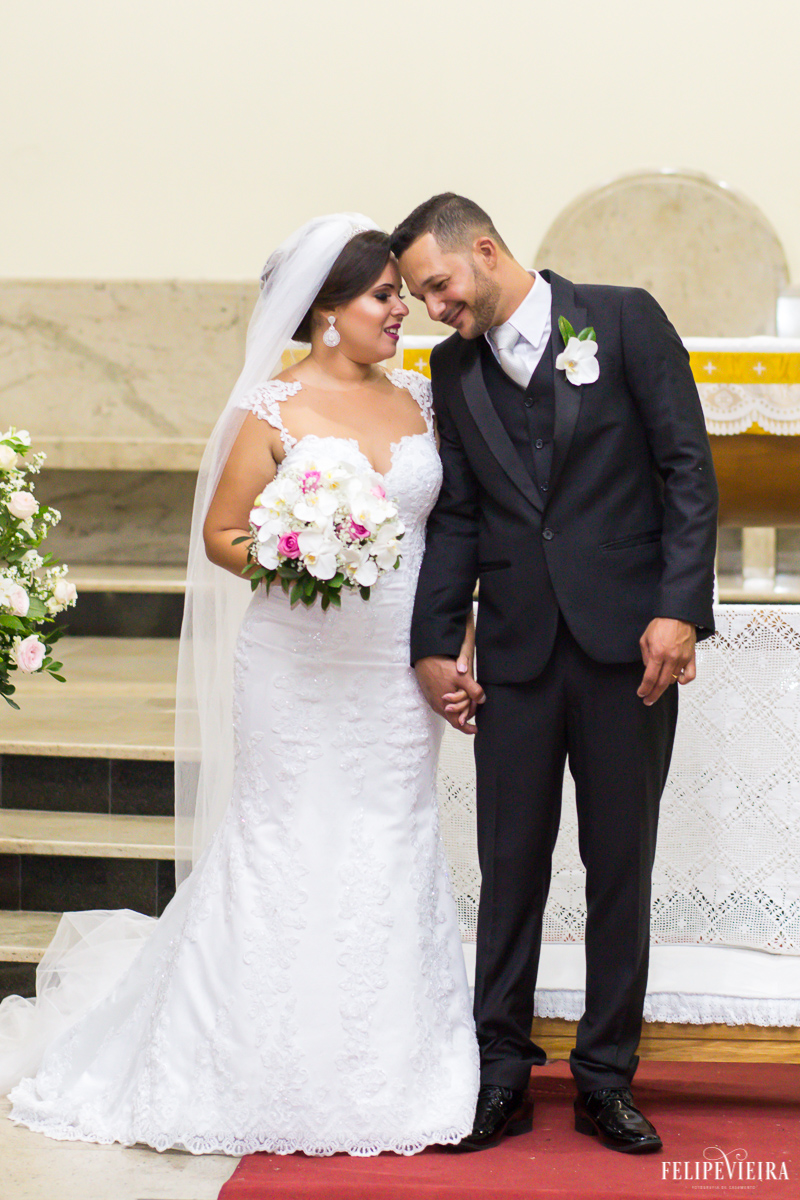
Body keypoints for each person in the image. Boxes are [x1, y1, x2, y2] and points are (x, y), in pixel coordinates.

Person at [1, 214, 479, 1155]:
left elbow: (450, 536)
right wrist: (305, 549)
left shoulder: (422, 400)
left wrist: (454, 638)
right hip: (297, 669)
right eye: (385, 296)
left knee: (391, 837)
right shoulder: (271, 408)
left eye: (400, 296)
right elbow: (223, 536)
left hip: (393, 671)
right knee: (283, 844)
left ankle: (394, 1068)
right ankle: (249, 1061)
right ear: (327, 313)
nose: (403, 313)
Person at [390, 194, 718, 1154]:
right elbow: (456, 518)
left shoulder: (621, 319)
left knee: (619, 868)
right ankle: (499, 1072)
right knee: (510, 868)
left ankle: (606, 1078)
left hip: (631, 651)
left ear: (484, 251)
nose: (436, 309)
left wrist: (677, 609)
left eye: (440, 286)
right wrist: (433, 643)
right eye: (420, 295)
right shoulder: (451, 371)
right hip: (520, 654)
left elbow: (687, 471)